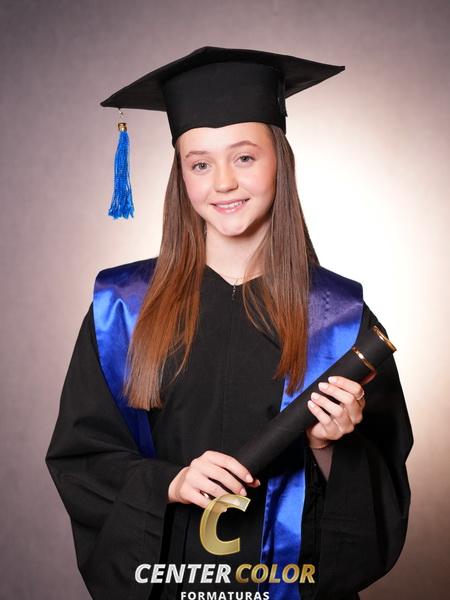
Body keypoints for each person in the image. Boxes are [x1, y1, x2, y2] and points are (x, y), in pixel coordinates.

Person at [45, 46, 413, 600]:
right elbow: (83, 459)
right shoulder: (122, 310)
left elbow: (379, 499)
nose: (222, 183)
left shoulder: (338, 319)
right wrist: (169, 482)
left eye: (244, 157)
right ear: (181, 175)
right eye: (200, 163)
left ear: (280, 161)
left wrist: (327, 447)